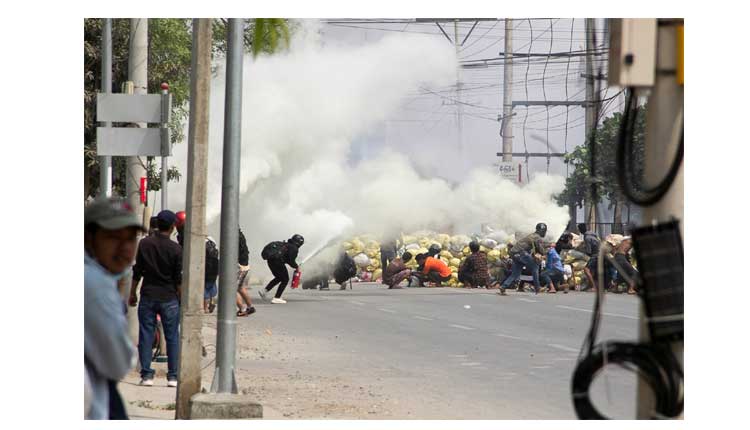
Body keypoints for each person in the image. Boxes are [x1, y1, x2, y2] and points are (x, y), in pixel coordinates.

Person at [85, 198, 142, 419]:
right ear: (89, 238)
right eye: (113, 237)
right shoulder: (95, 286)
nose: (125, 248)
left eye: (130, 239)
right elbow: (118, 364)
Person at [129, 210, 182, 388]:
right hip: (169, 298)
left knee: (146, 335)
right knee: (172, 336)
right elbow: (178, 279)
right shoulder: (176, 249)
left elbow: (138, 271)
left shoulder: (145, 244)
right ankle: (173, 376)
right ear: (173, 227)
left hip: (148, 295)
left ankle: (146, 376)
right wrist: (181, 298)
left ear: (157, 224)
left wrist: (132, 292)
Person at [497, 223, 547, 296]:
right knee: (535, 266)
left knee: (515, 273)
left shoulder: (532, 235)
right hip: (521, 253)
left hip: (514, 253)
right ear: (542, 231)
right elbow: (540, 249)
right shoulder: (537, 237)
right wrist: (546, 252)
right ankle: (537, 287)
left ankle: (503, 286)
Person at [259, 234, 304, 304]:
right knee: (285, 279)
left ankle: (264, 291)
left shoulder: (286, 244)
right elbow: (290, 260)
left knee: (279, 277)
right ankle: (277, 298)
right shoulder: (294, 248)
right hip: (278, 262)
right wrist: (296, 266)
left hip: (270, 261)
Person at [236, 228, 257, 316]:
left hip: (239, 266)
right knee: (240, 287)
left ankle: (242, 309)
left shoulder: (234, 237)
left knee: (232, 289)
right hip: (244, 265)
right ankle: (250, 307)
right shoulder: (240, 235)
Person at [203, 236, 219, 313]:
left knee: (205, 289)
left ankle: (205, 308)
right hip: (214, 267)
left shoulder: (201, 242)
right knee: (211, 286)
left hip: (206, 268)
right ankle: (212, 303)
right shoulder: (212, 240)